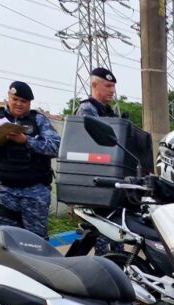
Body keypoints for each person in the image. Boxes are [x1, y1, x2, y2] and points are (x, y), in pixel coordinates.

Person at [0, 81, 60, 239]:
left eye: (24, 101)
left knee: (37, 241)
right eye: (15, 99)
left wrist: (26, 140)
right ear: (8, 97)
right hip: (4, 190)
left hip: (34, 191)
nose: (19, 104)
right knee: (6, 240)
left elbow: (55, 147)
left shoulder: (39, 120)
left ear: (29, 103)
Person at [74, 67, 123, 255]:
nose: (112, 90)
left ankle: (118, 267)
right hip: (97, 182)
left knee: (117, 235)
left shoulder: (109, 112)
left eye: (113, 86)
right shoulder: (88, 109)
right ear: (94, 85)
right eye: (108, 85)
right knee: (103, 237)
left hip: (110, 180)